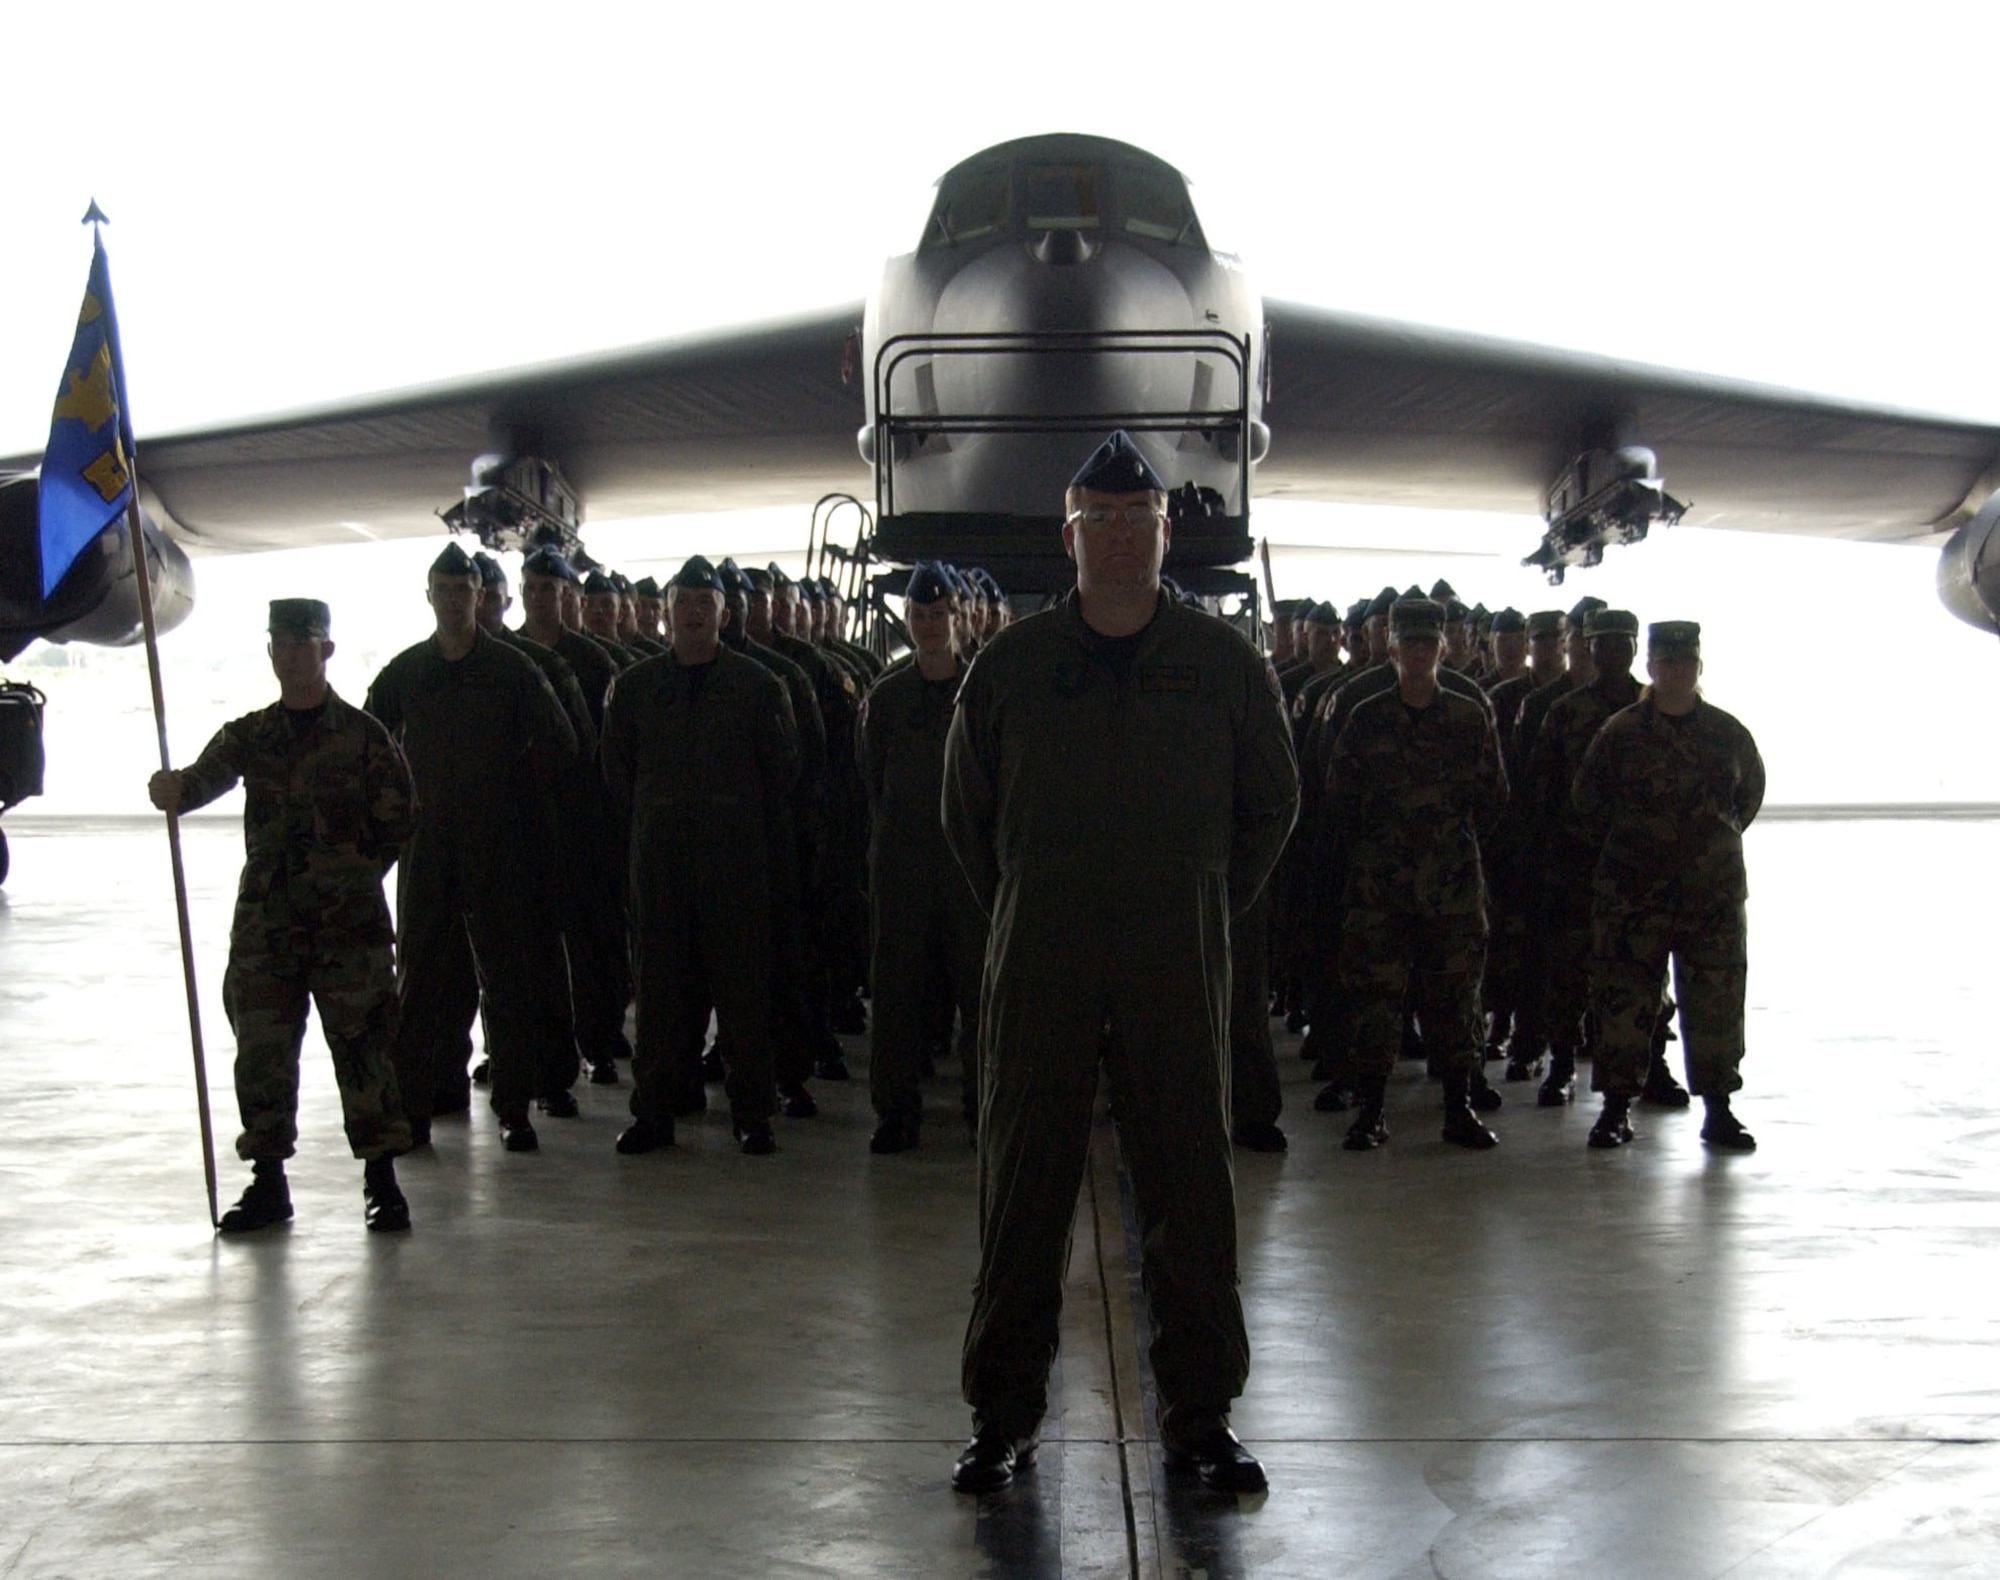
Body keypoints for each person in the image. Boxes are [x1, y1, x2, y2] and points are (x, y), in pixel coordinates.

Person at [942, 430, 1298, 1497]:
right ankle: (1001, 1419)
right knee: (1023, 1188)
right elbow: (965, 819)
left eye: (1134, 520)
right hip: (1039, 962)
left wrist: (1195, 906)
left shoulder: (1224, 667)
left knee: (1188, 1183)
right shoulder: (1009, 667)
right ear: (1068, 535)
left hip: (1172, 963)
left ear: (1163, 531)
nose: (1116, 537)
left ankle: (1199, 1417)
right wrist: (1028, 905)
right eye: (1097, 519)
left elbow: (1269, 808)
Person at [148, 599, 416, 1233]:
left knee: (363, 1048)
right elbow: (197, 783)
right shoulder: (252, 734)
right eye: (282, 646)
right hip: (268, 927)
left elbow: (400, 817)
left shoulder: (362, 736)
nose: (292, 656)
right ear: (271, 654)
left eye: (304, 644)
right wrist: (173, 790)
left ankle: (382, 1179)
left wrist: (349, 875)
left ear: (326, 651)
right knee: (262, 1050)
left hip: (348, 929)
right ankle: (268, 1181)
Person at [365, 543, 579, 1153]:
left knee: (507, 982)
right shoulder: (406, 673)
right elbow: (368, 748)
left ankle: (513, 1108)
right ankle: (415, 1110)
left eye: (465, 591)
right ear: (429, 596)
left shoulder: (513, 670)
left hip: (496, 846)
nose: (455, 600)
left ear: (479, 597)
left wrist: (513, 799)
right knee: (420, 985)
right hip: (428, 847)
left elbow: (561, 746)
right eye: (445, 590)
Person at [601, 556, 802, 1157]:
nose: (693, 614)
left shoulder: (758, 686)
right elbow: (617, 775)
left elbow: (782, 775)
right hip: (660, 866)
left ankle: (752, 1113)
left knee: (743, 994)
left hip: (734, 865)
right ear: (665, 615)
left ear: (724, 613)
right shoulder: (635, 689)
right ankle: (656, 1112)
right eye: (682, 603)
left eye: (704, 604)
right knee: (660, 997)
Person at [1323, 597, 1508, 1152]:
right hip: (1382, 887)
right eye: (1410, 642)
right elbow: (1339, 798)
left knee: (1456, 1000)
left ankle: (1459, 1106)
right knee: (1376, 1000)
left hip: (1451, 885)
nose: (1420, 652)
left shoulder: (1468, 715)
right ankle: (1372, 1109)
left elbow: (1494, 798)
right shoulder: (1367, 716)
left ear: (1443, 648)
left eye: (1430, 642)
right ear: (1392, 647)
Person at [1572, 622, 1766, 1150]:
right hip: (1635, 894)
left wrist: (1704, 851)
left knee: (1716, 1002)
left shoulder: (1727, 734)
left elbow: (1747, 797)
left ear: (1698, 669)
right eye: (1667, 662)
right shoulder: (1621, 733)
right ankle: (1615, 1108)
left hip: (1712, 897)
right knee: (1624, 1001)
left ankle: (1718, 1107)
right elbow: (1588, 803)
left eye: (1686, 662)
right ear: (1652, 669)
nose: (1677, 670)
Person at [859, 562, 987, 1154]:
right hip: (904, 861)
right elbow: (871, 776)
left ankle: (983, 1107)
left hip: (966, 864)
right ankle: (896, 1110)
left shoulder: (981, 690)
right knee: (898, 990)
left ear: (956, 619)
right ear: (907, 623)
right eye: (919, 617)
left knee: (978, 990)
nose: (930, 626)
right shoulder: (887, 696)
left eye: (939, 615)